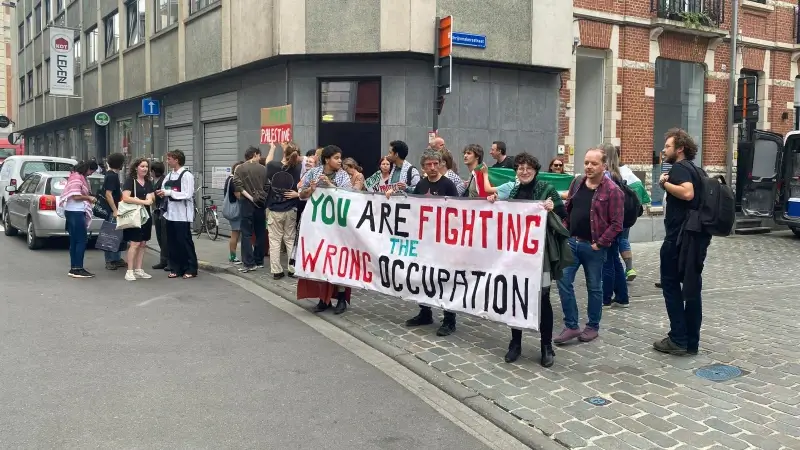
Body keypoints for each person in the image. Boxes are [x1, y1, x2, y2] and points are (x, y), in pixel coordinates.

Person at [487, 153, 570, 366]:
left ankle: (546, 346)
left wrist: (552, 208)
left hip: (540, 254)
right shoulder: (513, 190)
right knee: (515, 296)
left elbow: (562, 212)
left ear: (535, 170)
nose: (524, 171)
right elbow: (503, 213)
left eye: (528, 168)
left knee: (542, 299)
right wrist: (494, 201)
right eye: (520, 168)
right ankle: (515, 343)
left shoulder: (546, 189)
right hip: (517, 254)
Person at [554, 148, 624, 344]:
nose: (589, 167)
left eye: (593, 163)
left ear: (604, 166)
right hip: (572, 242)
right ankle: (571, 325)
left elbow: (617, 223)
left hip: (593, 247)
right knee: (563, 281)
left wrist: (600, 243)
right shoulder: (577, 183)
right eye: (586, 163)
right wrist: (566, 230)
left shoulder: (613, 191)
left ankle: (593, 326)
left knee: (594, 287)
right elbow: (569, 208)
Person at [653, 128, 711, 356]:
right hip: (696, 237)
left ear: (680, 149)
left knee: (670, 285)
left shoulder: (678, 168)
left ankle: (677, 338)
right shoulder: (698, 170)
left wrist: (663, 184)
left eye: (668, 146)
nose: (664, 150)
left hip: (678, 238)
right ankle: (691, 341)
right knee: (692, 287)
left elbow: (686, 194)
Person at [400, 150, 460, 336]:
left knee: (444, 279)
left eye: (436, 164)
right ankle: (425, 312)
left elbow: (459, 212)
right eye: (428, 165)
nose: (432, 168)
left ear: (441, 164)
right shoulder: (421, 184)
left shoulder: (448, 185)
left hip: (443, 242)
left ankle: (449, 319)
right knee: (422, 276)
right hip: (424, 240)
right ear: (423, 167)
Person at [298, 145, 353, 314]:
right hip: (318, 225)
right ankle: (324, 298)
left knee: (338, 259)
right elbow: (300, 194)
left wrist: (330, 185)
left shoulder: (343, 175)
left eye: (340, 158)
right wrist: (310, 189)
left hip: (337, 225)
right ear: (327, 159)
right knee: (321, 258)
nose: (339, 161)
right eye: (336, 158)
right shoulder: (313, 173)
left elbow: (349, 196)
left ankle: (342, 298)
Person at [156, 149, 199, 279]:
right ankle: (175, 267)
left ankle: (191, 268)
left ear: (177, 160)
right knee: (172, 242)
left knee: (184, 242)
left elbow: (188, 194)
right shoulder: (169, 176)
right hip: (170, 214)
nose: (167, 161)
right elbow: (164, 188)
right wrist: (161, 192)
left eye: (169, 159)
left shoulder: (187, 175)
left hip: (182, 215)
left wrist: (169, 193)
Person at [598, 143, 630, 308]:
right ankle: (622, 296)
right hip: (617, 223)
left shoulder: (608, 176)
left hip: (609, 224)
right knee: (615, 260)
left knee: (607, 262)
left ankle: (606, 298)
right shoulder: (617, 174)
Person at [266, 143, 302, 279]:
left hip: (275, 209)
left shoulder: (273, 166)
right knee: (290, 239)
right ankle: (292, 268)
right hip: (291, 208)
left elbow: (268, 162)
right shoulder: (299, 168)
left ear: (284, 153)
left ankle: (277, 271)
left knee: (274, 241)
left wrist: (273, 148)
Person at [234, 145, 272, 273]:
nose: (259, 157)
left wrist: (250, 198)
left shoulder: (240, 168)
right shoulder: (263, 169)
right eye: (259, 155)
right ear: (255, 154)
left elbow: (238, 186)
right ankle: (259, 260)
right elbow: (267, 186)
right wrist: (261, 197)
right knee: (260, 232)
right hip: (260, 205)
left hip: (247, 204)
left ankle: (249, 263)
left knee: (246, 234)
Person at [60, 160, 98, 278]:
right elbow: (76, 196)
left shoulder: (75, 176)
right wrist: (89, 197)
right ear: (87, 168)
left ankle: (74, 267)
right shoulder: (77, 177)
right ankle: (78, 268)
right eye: (91, 170)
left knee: (74, 240)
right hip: (76, 211)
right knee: (81, 240)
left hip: (72, 211)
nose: (91, 173)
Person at [121, 158, 156, 281]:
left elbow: (152, 198)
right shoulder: (131, 181)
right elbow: (125, 197)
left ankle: (139, 269)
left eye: (146, 166)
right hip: (134, 216)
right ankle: (129, 271)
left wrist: (150, 199)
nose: (145, 169)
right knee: (134, 243)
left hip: (146, 216)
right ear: (136, 167)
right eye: (142, 166)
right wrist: (142, 201)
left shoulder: (148, 182)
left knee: (143, 244)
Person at [102, 153, 127, 271]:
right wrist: (115, 210)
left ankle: (116, 258)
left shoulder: (112, 175)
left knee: (116, 234)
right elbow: (108, 194)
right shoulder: (112, 176)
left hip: (115, 209)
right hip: (113, 210)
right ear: (119, 163)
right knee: (110, 235)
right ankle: (110, 260)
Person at [151, 161, 170, 271]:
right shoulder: (156, 181)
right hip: (157, 211)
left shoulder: (164, 180)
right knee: (159, 236)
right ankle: (163, 260)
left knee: (164, 237)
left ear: (153, 171)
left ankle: (166, 260)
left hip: (163, 211)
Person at [225, 161, 244, 265]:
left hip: (233, 210)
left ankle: (233, 255)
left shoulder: (229, 179)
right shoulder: (234, 181)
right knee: (235, 233)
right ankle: (232, 256)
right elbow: (238, 196)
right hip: (236, 211)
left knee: (235, 233)